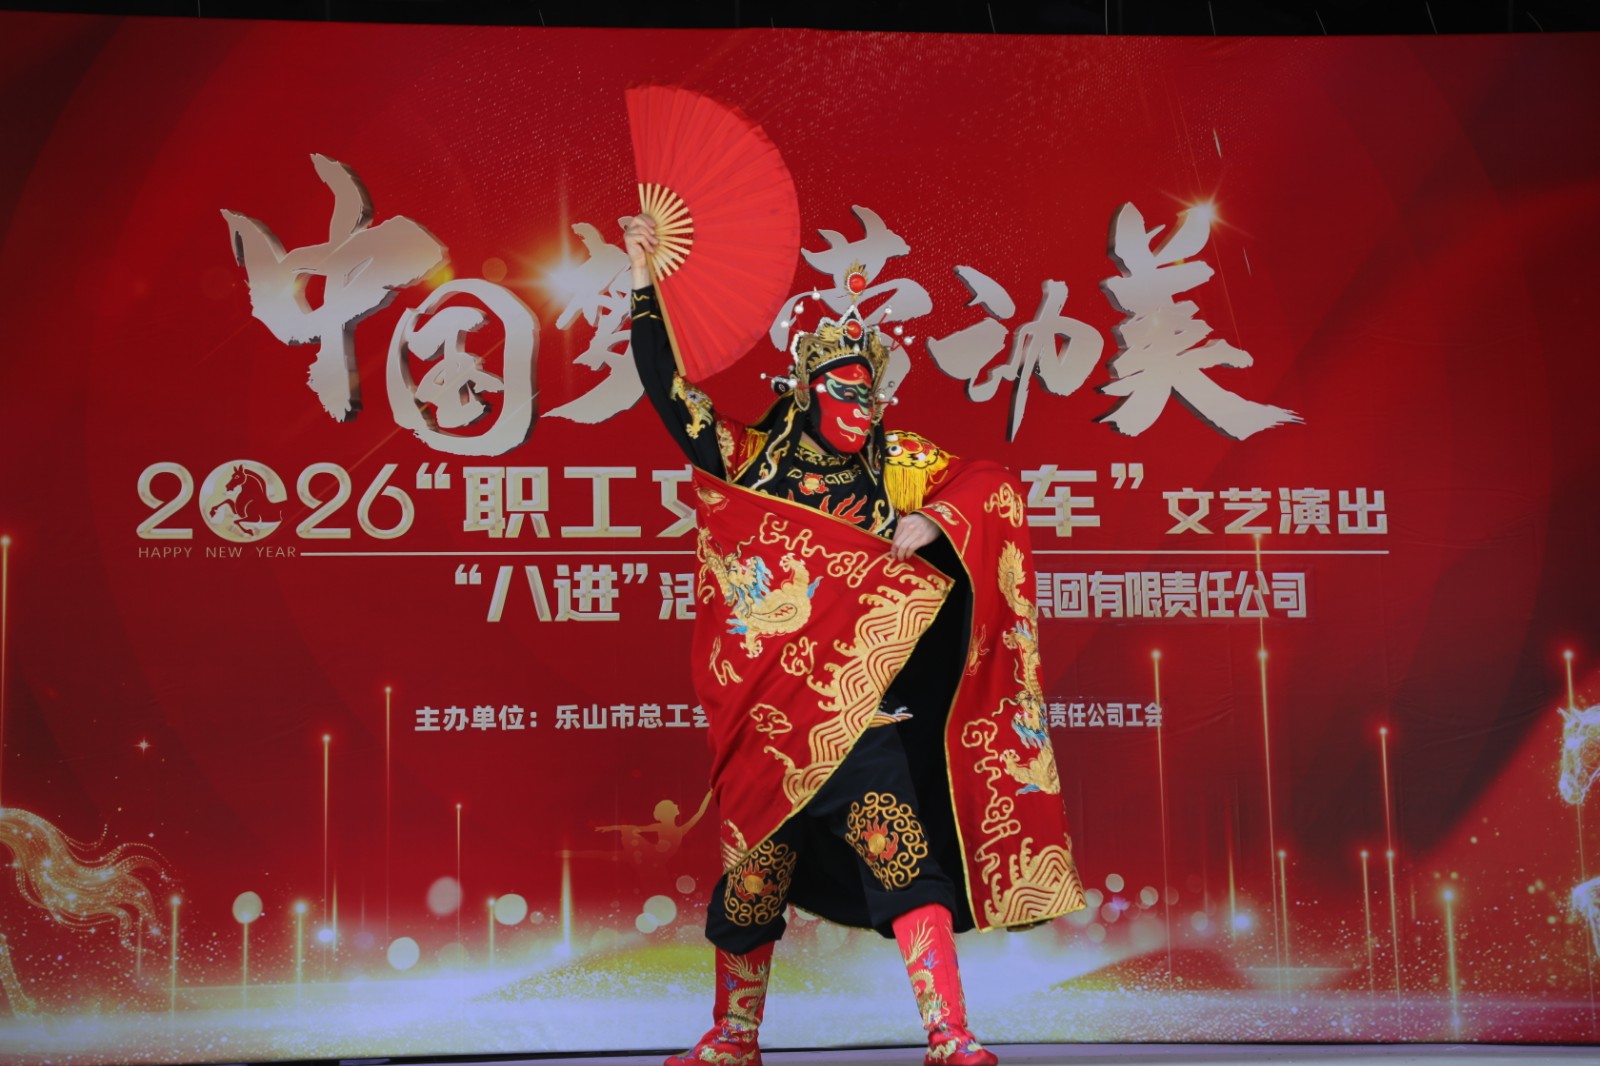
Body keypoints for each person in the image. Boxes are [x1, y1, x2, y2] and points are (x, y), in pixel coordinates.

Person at [624, 215, 1084, 1066]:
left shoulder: (894, 464)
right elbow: (671, 394)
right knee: (753, 883)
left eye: (868, 394)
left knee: (905, 863)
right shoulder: (753, 459)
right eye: (841, 390)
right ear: (805, 390)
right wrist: (644, 282)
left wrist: (934, 519)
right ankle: (733, 1037)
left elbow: (988, 483)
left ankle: (949, 1033)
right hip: (768, 723)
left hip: (861, 716)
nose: (858, 407)